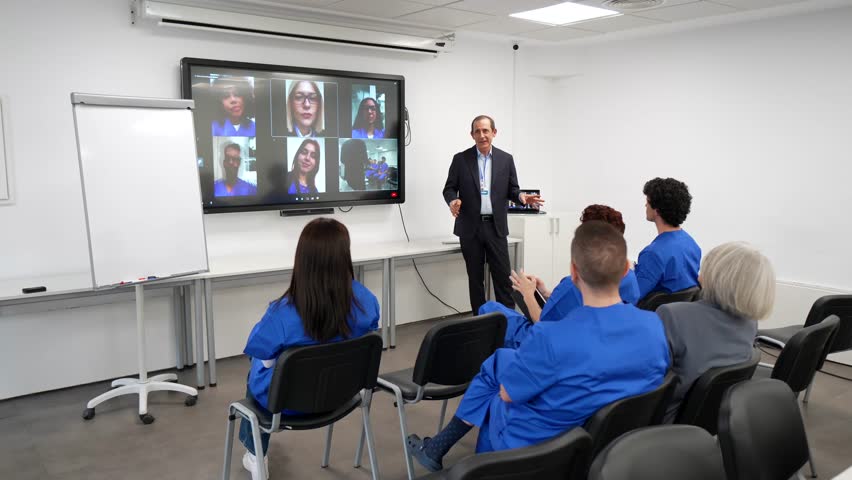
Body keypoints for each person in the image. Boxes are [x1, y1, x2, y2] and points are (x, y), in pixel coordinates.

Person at [406, 221, 670, 472]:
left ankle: (459, 456)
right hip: (614, 442)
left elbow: (508, 395)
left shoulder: (553, 337)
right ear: (626, 269)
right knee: (501, 362)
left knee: (495, 383)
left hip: (546, 448)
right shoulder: (653, 326)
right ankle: (439, 448)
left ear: (574, 272)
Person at [238, 218, 381, 480]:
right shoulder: (366, 301)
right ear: (344, 255)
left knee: (256, 370)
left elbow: (263, 356)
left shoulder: (281, 313)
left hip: (287, 405)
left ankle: (256, 456)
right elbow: (369, 332)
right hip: (343, 395)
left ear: (302, 259)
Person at [479, 204, 641, 348]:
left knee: (490, 309)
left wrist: (528, 295)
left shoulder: (575, 284)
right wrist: (546, 293)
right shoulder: (630, 278)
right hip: (596, 341)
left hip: (555, 344)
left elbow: (544, 326)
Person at [658, 242, 775, 422]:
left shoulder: (673, 314)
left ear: (720, 277)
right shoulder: (750, 322)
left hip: (665, 419)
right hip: (715, 417)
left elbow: (650, 375)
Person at [442, 115, 544, 313]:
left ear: (494, 133)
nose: (482, 135)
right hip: (470, 228)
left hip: (495, 228)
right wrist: (452, 200)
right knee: (475, 279)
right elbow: (449, 188)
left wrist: (522, 197)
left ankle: (508, 323)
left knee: (504, 279)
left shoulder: (506, 160)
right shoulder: (461, 159)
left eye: (485, 130)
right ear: (472, 135)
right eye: (477, 131)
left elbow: (513, 190)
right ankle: (481, 323)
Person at [636, 177, 701, 299]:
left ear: (657, 210)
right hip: (682, 314)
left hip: (656, 315)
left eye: (648, 202)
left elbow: (632, 296)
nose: (645, 205)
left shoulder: (652, 254)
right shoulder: (692, 245)